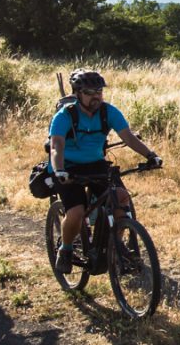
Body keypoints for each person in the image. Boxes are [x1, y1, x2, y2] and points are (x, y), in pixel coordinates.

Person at [49, 68, 161, 272]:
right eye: (90, 93)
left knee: (120, 197)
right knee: (76, 212)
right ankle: (65, 250)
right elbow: (56, 146)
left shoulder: (108, 112)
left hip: (96, 165)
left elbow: (129, 137)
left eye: (99, 92)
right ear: (77, 94)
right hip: (67, 167)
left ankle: (113, 245)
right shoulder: (65, 116)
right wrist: (59, 170)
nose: (96, 97)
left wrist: (150, 155)